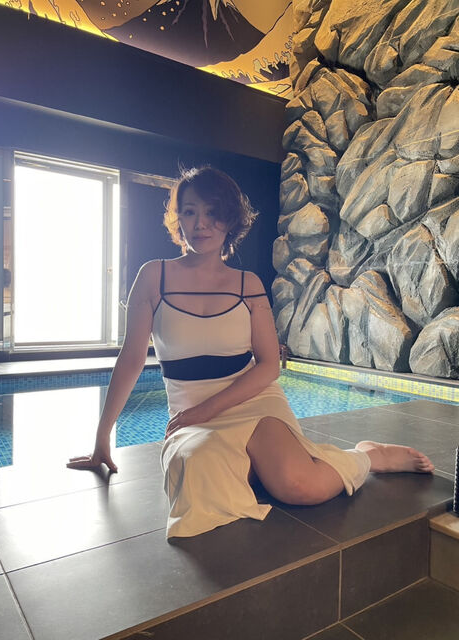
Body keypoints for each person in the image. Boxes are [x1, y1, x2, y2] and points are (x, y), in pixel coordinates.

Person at [67, 167, 435, 538]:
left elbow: (269, 366)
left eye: (213, 212)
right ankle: (261, 466)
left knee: (299, 487)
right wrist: (102, 437)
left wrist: (206, 410)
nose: (200, 223)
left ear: (230, 220)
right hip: (191, 414)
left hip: (252, 401)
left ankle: (367, 456)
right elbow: (131, 360)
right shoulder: (153, 277)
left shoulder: (248, 285)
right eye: (190, 211)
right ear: (178, 218)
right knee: (199, 480)